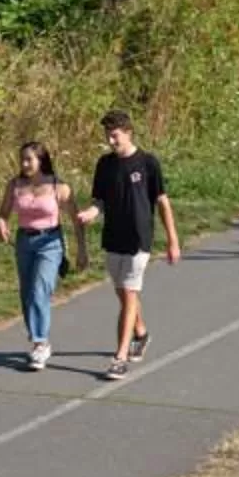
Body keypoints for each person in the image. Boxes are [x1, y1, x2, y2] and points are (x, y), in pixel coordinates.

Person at [78, 108, 179, 379]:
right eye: (108, 136)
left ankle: (119, 357)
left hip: (138, 240)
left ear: (128, 132)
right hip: (113, 238)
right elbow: (99, 201)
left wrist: (172, 240)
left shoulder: (148, 163)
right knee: (123, 293)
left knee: (130, 295)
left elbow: (162, 202)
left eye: (115, 136)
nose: (111, 141)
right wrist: (91, 212)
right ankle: (142, 333)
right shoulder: (104, 165)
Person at [0, 139, 78, 370]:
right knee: (27, 293)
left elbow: (75, 219)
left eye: (29, 159)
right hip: (24, 241)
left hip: (50, 242)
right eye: (22, 159)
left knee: (40, 289)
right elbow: (3, 212)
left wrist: (82, 251)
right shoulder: (15, 185)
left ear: (41, 160)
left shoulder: (57, 186)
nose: (24, 163)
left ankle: (41, 343)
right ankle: (37, 337)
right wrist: (0, 224)